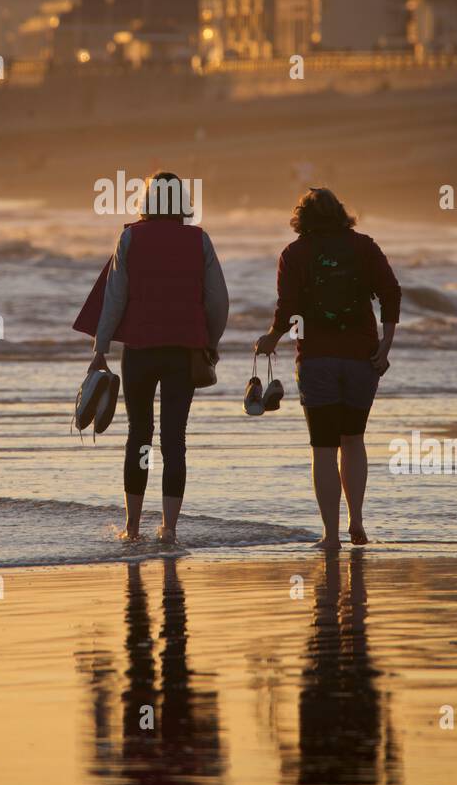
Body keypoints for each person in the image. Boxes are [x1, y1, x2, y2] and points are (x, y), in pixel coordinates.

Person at [77, 172, 229, 544]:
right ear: (180, 201)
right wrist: (210, 340)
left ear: (147, 200)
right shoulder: (200, 240)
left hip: (140, 353)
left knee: (139, 436)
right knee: (175, 439)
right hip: (183, 352)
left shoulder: (131, 237)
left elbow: (114, 297)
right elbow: (218, 301)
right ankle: (170, 529)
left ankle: (131, 528)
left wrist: (100, 350)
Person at [254, 187, 401, 550]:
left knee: (323, 448)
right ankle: (358, 522)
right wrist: (385, 346)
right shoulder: (365, 247)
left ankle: (331, 535)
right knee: (353, 441)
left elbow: (288, 309)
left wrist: (272, 337)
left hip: (316, 359)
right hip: (363, 358)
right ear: (340, 213)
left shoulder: (294, 253)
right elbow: (391, 293)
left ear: (301, 218)